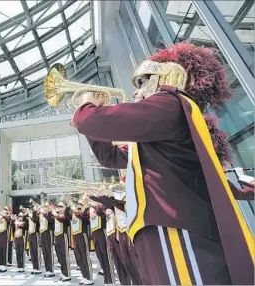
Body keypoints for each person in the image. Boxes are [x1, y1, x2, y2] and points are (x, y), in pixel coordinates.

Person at [72, 42, 254, 284]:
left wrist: (87, 106)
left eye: (141, 83)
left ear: (162, 78)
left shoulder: (170, 102)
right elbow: (110, 157)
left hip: (175, 227)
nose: (135, 92)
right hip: (159, 228)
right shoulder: (156, 134)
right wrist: (91, 117)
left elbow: (92, 121)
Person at [88, 200, 113, 284]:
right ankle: (106, 279)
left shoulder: (103, 205)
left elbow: (102, 213)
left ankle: (110, 280)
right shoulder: (90, 207)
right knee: (100, 257)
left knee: (106, 257)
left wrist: (96, 206)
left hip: (102, 231)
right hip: (94, 233)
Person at [70, 195, 93, 285]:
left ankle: (89, 277)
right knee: (79, 258)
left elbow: (85, 220)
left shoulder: (85, 211)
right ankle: (84, 276)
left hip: (82, 235)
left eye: (81, 204)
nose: (79, 205)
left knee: (85, 256)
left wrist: (77, 212)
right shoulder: (75, 212)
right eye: (78, 204)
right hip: (75, 236)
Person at [51, 200, 72, 282]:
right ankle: (63, 273)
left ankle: (67, 274)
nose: (59, 208)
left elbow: (66, 220)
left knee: (64, 255)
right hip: (57, 236)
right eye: (58, 206)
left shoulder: (67, 214)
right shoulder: (56, 214)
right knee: (59, 255)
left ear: (65, 207)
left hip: (63, 235)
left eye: (61, 206)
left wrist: (57, 215)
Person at [0, 206, 12, 272]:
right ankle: (0, 264)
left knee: (4, 250)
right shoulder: (0, 216)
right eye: (3, 209)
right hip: (0, 234)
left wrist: (2, 215)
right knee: (0, 250)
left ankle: (4, 265)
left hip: (5, 234)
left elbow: (8, 219)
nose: (4, 210)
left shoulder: (8, 217)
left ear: (8, 211)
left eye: (5, 209)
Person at [38, 202, 55, 278]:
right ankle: (47, 269)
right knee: (44, 252)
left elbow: (51, 221)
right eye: (44, 206)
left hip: (48, 233)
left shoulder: (51, 213)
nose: (45, 207)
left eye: (46, 206)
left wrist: (45, 213)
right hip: (42, 234)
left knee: (49, 252)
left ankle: (51, 270)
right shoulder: (41, 214)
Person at [24, 207, 42, 275]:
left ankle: (38, 268)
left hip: (35, 235)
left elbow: (35, 220)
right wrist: (26, 214)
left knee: (36, 252)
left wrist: (31, 215)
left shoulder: (36, 217)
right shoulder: (29, 218)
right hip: (30, 235)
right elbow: (25, 222)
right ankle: (34, 267)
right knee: (32, 253)